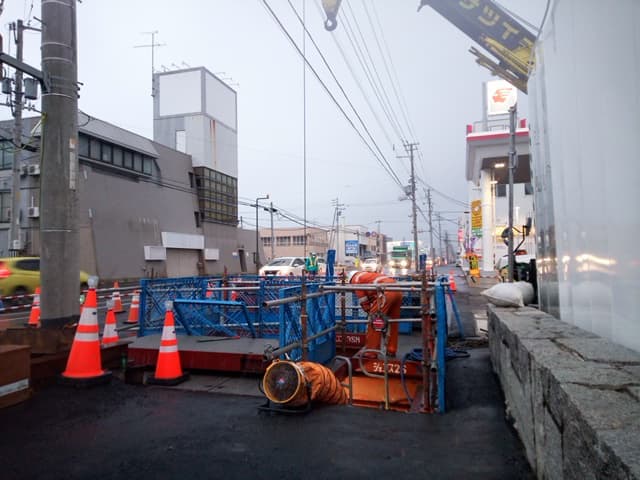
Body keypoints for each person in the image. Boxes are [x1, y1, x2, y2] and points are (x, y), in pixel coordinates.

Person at [348, 270, 402, 358]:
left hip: (386, 292)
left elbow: (363, 300)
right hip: (398, 291)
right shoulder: (368, 275)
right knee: (393, 322)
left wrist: (369, 312)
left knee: (374, 321)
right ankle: (391, 349)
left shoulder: (356, 280)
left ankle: (371, 352)